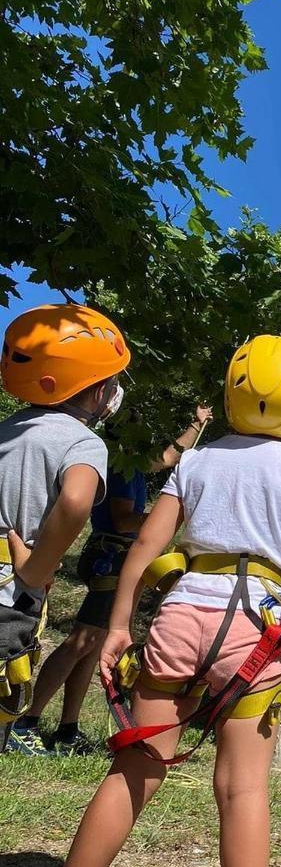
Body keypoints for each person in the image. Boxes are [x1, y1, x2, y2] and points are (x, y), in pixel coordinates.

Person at [64, 335, 281, 867]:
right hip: (257, 628)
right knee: (242, 787)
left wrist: (119, 626)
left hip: (182, 615)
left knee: (137, 766)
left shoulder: (197, 460)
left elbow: (145, 546)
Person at [11, 405, 214, 755]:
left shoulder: (131, 463)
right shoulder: (119, 467)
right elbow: (123, 520)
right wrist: (165, 519)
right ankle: (26, 722)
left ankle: (67, 729)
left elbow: (169, 457)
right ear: (128, 435)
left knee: (93, 645)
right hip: (111, 556)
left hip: (114, 558)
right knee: (82, 639)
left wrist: (197, 422)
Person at [0, 304, 131, 754]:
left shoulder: (6, 431)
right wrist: (38, 568)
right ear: (94, 391)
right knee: (6, 677)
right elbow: (76, 501)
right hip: (11, 587)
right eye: (111, 382)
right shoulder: (82, 441)